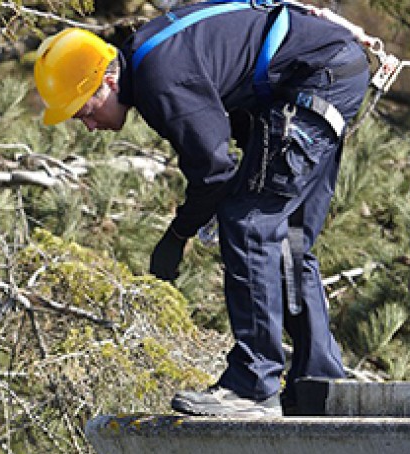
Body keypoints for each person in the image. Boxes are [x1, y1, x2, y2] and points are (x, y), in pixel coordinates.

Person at [33, 0, 370, 417]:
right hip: (330, 74)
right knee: (286, 235)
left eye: (84, 110)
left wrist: (177, 235)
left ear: (107, 83)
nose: (87, 125)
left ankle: (253, 384)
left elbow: (214, 173)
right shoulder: (153, 54)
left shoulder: (160, 79)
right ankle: (318, 382)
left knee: (249, 223)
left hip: (317, 81)